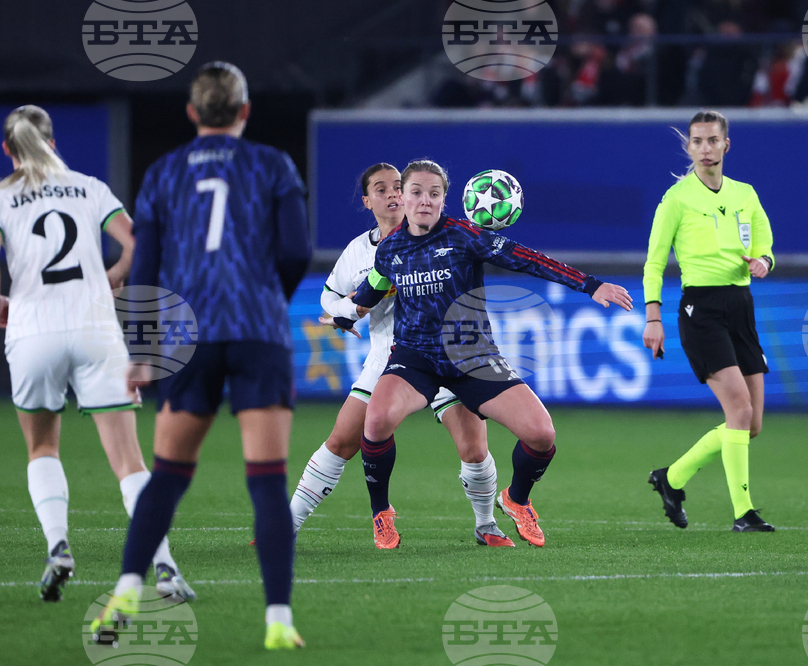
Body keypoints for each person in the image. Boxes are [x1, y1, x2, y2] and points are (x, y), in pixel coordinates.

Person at [89, 62, 312, 650]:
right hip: (257, 332)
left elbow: (145, 268)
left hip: (187, 338)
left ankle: (128, 589)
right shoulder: (272, 164)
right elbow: (295, 249)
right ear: (244, 111)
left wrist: (142, 349)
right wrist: (268, 299)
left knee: (167, 476)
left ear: (191, 113)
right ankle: (279, 620)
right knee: (267, 482)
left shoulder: (163, 173)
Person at [344, 159, 632, 548]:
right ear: (403, 197)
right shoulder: (390, 249)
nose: (424, 201)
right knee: (376, 422)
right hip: (416, 358)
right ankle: (381, 513)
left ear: (445, 200)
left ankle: (516, 498)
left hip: (472, 356)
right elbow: (372, 289)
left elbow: (528, 259)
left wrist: (590, 285)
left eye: (433, 194)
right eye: (416, 192)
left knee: (542, 434)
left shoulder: (466, 236)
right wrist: (350, 310)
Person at [0, 105, 194, 603]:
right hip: (94, 328)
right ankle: (167, 568)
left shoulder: (3, 197)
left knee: (42, 447)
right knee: (128, 460)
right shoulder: (88, 187)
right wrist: (114, 275)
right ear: (53, 143)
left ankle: (58, 546)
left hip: (32, 330)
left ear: (9, 151)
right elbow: (138, 241)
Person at [291, 162, 513, 548]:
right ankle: (287, 524)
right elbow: (330, 296)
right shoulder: (360, 250)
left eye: (398, 186)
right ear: (367, 201)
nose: (392, 194)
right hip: (388, 359)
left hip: (448, 354)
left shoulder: (441, 235)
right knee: (344, 440)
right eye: (381, 189)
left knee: (474, 448)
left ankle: (486, 524)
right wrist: (345, 312)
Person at [643, 109, 776, 533]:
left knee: (751, 424)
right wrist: (653, 317)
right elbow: (653, 262)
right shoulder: (677, 198)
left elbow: (765, 242)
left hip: (741, 306)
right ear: (689, 147)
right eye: (697, 141)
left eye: (712, 140)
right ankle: (744, 513)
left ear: (726, 145)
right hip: (700, 310)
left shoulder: (745, 194)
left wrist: (764, 261)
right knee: (738, 408)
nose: (705, 148)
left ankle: (672, 478)